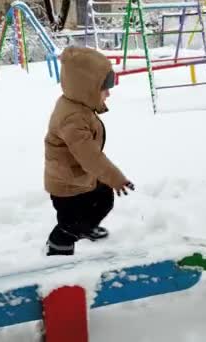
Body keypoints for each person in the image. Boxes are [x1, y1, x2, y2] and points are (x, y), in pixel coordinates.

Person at [43, 46, 135, 256]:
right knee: (69, 226)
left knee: (103, 198)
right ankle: (57, 256)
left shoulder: (78, 105)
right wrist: (115, 177)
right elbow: (90, 156)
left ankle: (82, 229)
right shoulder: (72, 119)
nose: (109, 93)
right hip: (67, 184)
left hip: (78, 177)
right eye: (105, 88)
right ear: (87, 88)